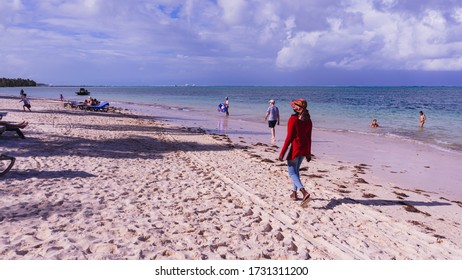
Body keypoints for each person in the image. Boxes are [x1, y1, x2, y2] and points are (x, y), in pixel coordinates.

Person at [278, 98, 313, 206]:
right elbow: (309, 137)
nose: (292, 107)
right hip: (304, 148)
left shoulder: (293, 119)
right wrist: (308, 152)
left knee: (292, 172)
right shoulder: (308, 120)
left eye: (294, 105)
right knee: (296, 171)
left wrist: (282, 152)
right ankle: (294, 193)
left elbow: (289, 137)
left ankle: (304, 192)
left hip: (295, 148)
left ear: (298, 108)